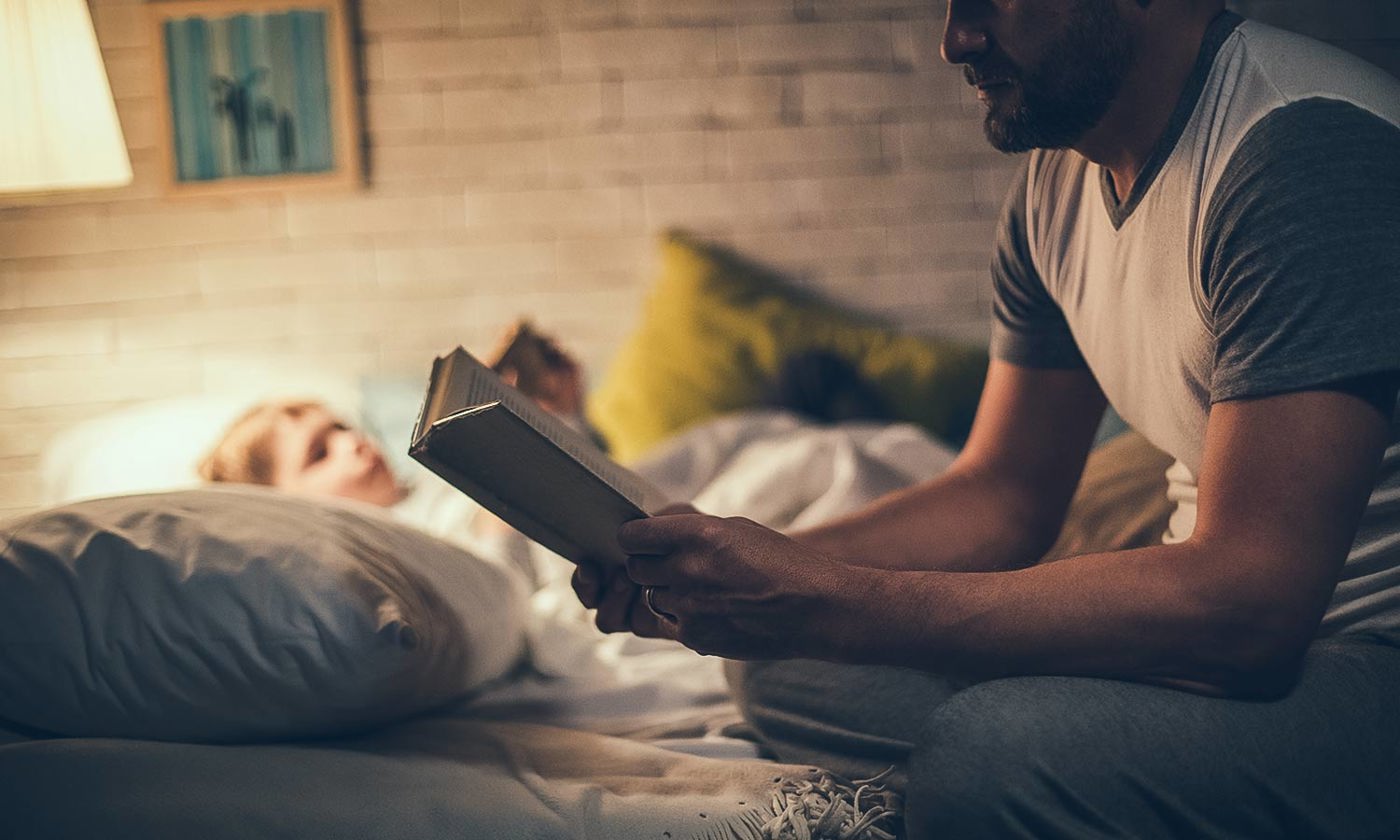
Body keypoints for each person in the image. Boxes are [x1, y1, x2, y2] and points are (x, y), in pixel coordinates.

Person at [576, 1, 1400, 836]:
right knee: (785, 669)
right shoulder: (1055, 185)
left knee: (987, 750)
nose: (954, 42)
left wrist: (827, 603)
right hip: (1212, 637)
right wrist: (746, 567)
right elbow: (1002, 495)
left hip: (1354, 655)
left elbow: (1249, 609)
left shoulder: (1302, 152)